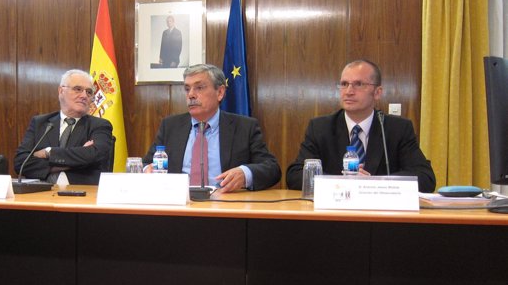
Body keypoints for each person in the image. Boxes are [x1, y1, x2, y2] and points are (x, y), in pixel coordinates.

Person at [286, 59, 436, 192]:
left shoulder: (397, 129)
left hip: (382, 217)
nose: (349, 92)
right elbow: (295, 174)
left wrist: (373, 184)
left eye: (358, 84)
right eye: (344, 84)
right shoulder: (320, 127)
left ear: (377, 92)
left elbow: (425, 177)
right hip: (334, 215)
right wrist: (342, 182)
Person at [143, 64, 281, 193]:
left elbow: (272, 169)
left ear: (220, 92)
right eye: (187, 88)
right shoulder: (170, 126)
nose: (191, 94)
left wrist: (245, 174)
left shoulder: (244, 127)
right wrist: (146, 170)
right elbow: (146, 163)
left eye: (199, 88)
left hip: (225, 207)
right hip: (179, 206)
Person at [14, 69, 113, 185]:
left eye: (89, 92)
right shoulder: (40, 123)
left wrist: (48, 152)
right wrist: (71, 163)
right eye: (78, 89)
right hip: (40, 193)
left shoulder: (100, 125)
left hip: (82, 193)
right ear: (61, 91)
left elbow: (93, 155)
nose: (84, 96)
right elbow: (21, 163)